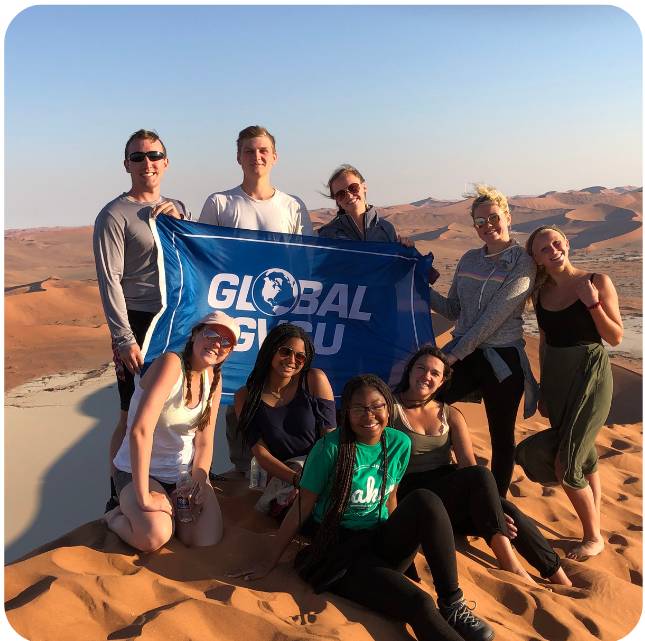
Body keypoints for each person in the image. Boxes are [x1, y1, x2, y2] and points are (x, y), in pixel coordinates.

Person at [232, 374, 495, 641]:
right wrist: (270, 560)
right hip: (342, 555)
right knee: (419, 603)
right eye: (358, 408)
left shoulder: (399, 443)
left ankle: (452, 604)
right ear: (346, 413)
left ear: (388, 408)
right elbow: (302, 506)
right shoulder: (329, 449)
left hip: (379, 540)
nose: (369, 415)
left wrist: (401, 540)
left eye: (377, 406)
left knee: (425, 500)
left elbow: (391, 497)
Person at [392, 346, 571, 586]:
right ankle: (510, 563)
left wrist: (493, 511)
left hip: (450, 493)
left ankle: (558, 576)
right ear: (410, 370)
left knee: (510, 512)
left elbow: (468, 467)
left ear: (443, 380)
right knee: (481, 477)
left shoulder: (450, 415)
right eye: (421, 368)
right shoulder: (390, 409)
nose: (426, 376)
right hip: (414, 496)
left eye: (435, 373)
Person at [94, 129, 190, 512]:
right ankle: (118, 492)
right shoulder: (113, 215)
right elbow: (109, 280)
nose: (146, 163)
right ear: (126, 164)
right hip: (137, 321)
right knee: (128, 409)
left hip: (175, 318)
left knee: (171, 405)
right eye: (137, 157)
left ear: (165, 161)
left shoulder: (177, 206)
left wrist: (181, 218)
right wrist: (123, 338)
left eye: (154, 155)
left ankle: (170, 476)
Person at [515, 225, 622, 561]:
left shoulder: (596, 282)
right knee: (583, 454)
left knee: (567, 461)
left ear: (567, 243)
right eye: (544, 249)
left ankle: (593, 537)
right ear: (536, 259)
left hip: (591, 375)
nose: (553, 250)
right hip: (558, 380)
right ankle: (596, 518)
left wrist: (593, 306)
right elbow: (545, 343)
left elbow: (616, 336)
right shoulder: (541, 294)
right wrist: (544, 389)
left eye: (556, 243)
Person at [430, 184, 537, 497]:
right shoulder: (468, 259)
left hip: (501, 359)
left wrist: (450, 356)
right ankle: (449, 474)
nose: (487, 226)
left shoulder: (522, 262)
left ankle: (497, 506)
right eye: (480, 221)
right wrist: (418, 285)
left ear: (507, 216)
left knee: (501, 437)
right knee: (427, 403)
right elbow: (453, 310)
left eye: (493, 218)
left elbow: (492, 319)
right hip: (465, 352)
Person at [104, 312, 240, 551]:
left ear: (229, 352)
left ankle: (168, 511)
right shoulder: (171, 364)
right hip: (140, 473)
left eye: (225, 342)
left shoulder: (214, 381)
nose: (217, 343)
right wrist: (144, 496)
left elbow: (205, 442)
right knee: (154, 536)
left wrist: (198, 479)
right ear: (196, 333)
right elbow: (140, 431)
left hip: (183, 476)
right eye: (211, 333)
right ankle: (114, 517)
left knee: (203, 539)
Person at [234, 323, 336, 518]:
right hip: (283, 476)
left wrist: (315, 480)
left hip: (320, 468)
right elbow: (261, 453)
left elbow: (330, 440)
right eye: (285, 351)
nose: (292, 360)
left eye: (300, 356)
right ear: (271, 350)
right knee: (295, 513)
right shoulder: (245, 396)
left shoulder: (314, 379)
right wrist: (298, 481)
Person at [199, 125, 312, 234]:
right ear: (239, 158)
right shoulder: (218, 204)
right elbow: (201, 249)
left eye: (263, 151)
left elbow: (306, 252)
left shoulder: (293, 206)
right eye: (249, 151)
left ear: (274, 157)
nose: (256, 157)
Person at [318, 164, 413, 246]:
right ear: (336, 200)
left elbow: (394, 264)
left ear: (364, 187)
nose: (349, 196)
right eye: (341, 194)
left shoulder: (386, 229)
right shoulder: (328, 234)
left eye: (353, 188)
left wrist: (405, 249)